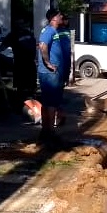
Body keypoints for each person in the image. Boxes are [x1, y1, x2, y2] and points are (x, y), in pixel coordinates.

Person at [36, 9, 74, 143]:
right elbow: (42, 45)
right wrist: (47, 62)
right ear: (53, 18)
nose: (61, 16)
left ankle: (45, 130)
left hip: (53, 73)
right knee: (50, 104)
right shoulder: (49, 30)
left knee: (48, 103)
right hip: (50, 74)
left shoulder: (54, 31)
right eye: (59, 15)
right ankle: (50, 131)